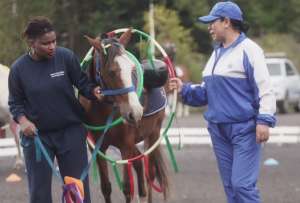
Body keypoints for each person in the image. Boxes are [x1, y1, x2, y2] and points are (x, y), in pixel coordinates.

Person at [169, 1, 276, 203]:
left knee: (242, 185)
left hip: (244, 129)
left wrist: (264, 120)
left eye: (212, 22)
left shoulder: (250, 50)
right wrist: (184, 88)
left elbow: (266, 89)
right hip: (218, 130)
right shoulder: (216, 53)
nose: (209, 27)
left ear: (226, 22)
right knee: (230, 188)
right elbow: (206, 93)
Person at [8, 16, 101, 203]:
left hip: (71, 133)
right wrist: (24, 121)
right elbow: (15, 104)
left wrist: (95, 91)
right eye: (45, 43)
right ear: (31, 42)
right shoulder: (19, 69)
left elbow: (83, 84)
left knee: (77, 192)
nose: (51, 46)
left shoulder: (65, 57)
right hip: (37, 138)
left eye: (54, 41)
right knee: (39, 194)